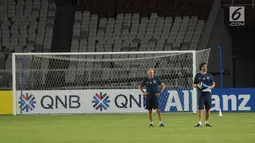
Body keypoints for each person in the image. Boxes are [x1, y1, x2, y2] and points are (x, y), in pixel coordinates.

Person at [193, 62, 215, 127]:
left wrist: (211, 86)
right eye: (204, 66)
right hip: (201, 94)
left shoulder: (209, 75)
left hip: (208, 93)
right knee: (200, 108)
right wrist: (197, 85)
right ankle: (199, 123)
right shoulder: (197, 75)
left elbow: (213, 83)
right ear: (201, 67)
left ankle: (207, 122)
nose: (205, 67)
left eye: (206, 66)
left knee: (208, 109)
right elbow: (193, 85)